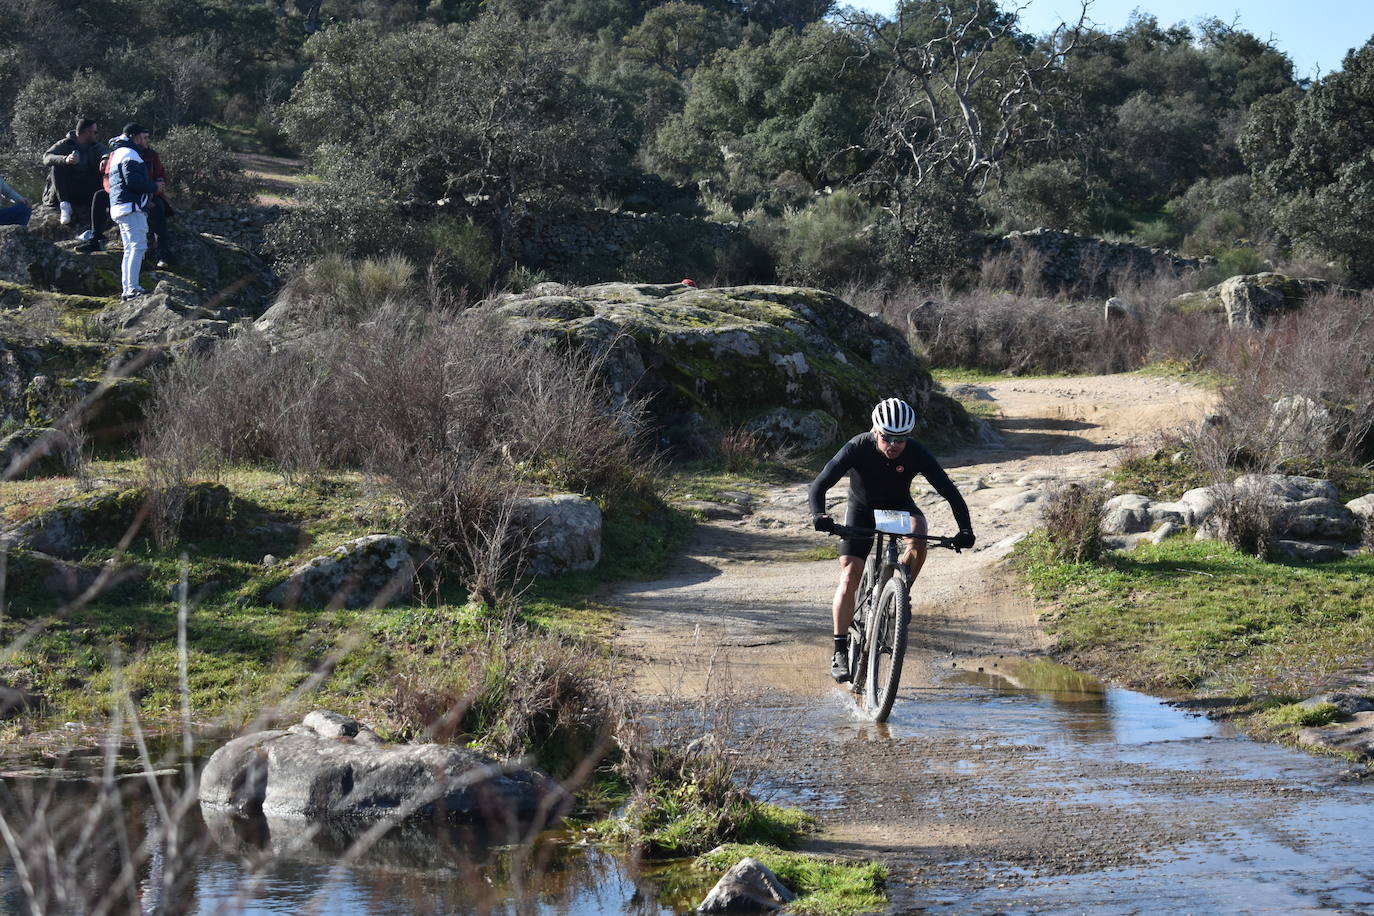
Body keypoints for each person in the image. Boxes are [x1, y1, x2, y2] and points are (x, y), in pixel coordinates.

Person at [809, 397, 976, 683]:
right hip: (862, 511)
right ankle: (839, 650)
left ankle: (900, 594)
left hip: (897, 510)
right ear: (875, 431)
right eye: (887, 437)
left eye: (901, 439)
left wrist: (965, 530)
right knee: (850, 576)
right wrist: (819, 515)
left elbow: (950, 492)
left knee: (919, 530)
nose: (894, 445)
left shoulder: (916, 452)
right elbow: (820, 483)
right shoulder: (858, 446)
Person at [107, 123, 163, 300]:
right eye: (144, 137)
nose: (147, 141)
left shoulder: (119, 152)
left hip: (122, 206)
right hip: (131, 208)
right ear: (135, 137)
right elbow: (134, 183)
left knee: (130, 249)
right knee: (138, 247)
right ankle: (132, 289)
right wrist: (155, 186)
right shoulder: (130, 154)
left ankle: (128, 289)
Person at [42, 118, 107, 225]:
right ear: (87, 133)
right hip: (67, 190)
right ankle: (65, 206)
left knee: (104, 167)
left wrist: (105, 159)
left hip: (86, 189)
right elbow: (47, 157)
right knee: (57, 166)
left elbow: (106, 151)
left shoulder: (95, 146)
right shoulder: (65, 144)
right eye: (95, 132)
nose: (96, 135)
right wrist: (65, 159)